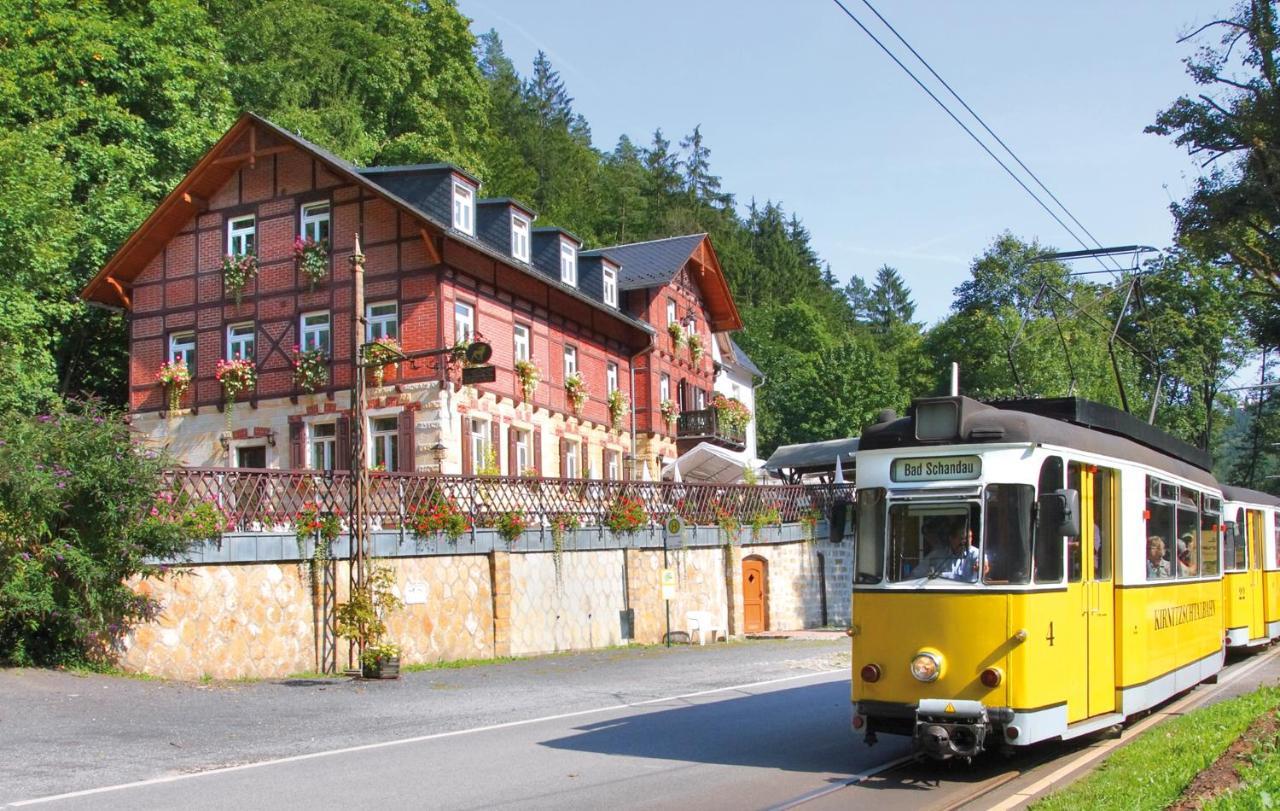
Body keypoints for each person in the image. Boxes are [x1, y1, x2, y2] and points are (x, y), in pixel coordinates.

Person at [918, 523, 983, 583]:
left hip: (968, 593)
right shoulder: (937, 555)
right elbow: (917, 573)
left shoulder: (976, 553)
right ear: (951, 538)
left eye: (969, 538)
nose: (965, 542)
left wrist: (981, 567)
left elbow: (984, 566)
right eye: (962, 538)